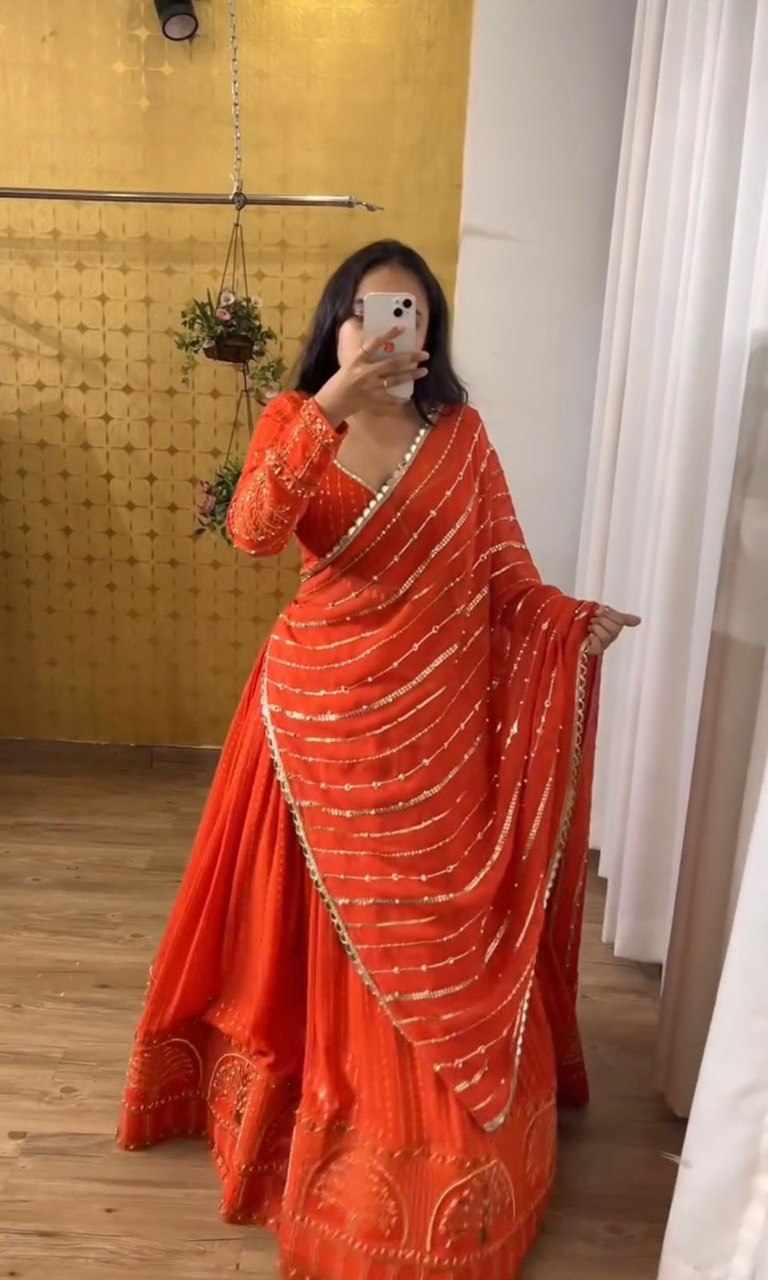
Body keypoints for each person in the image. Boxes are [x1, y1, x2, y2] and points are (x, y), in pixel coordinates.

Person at [117, 240, 640, 1278]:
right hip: (315, 721)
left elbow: (504, 577)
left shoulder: (463, 437)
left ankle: (441, 1122)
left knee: (426, 928)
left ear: (430, 329)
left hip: (431, 735)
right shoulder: (293, 417)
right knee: (308, 944)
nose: (388, 328)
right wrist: (328, 406)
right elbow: (254, 531)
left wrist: (569, 623)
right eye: (367, 311)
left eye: (411, 311)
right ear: (339, 322)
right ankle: (310, 1106)